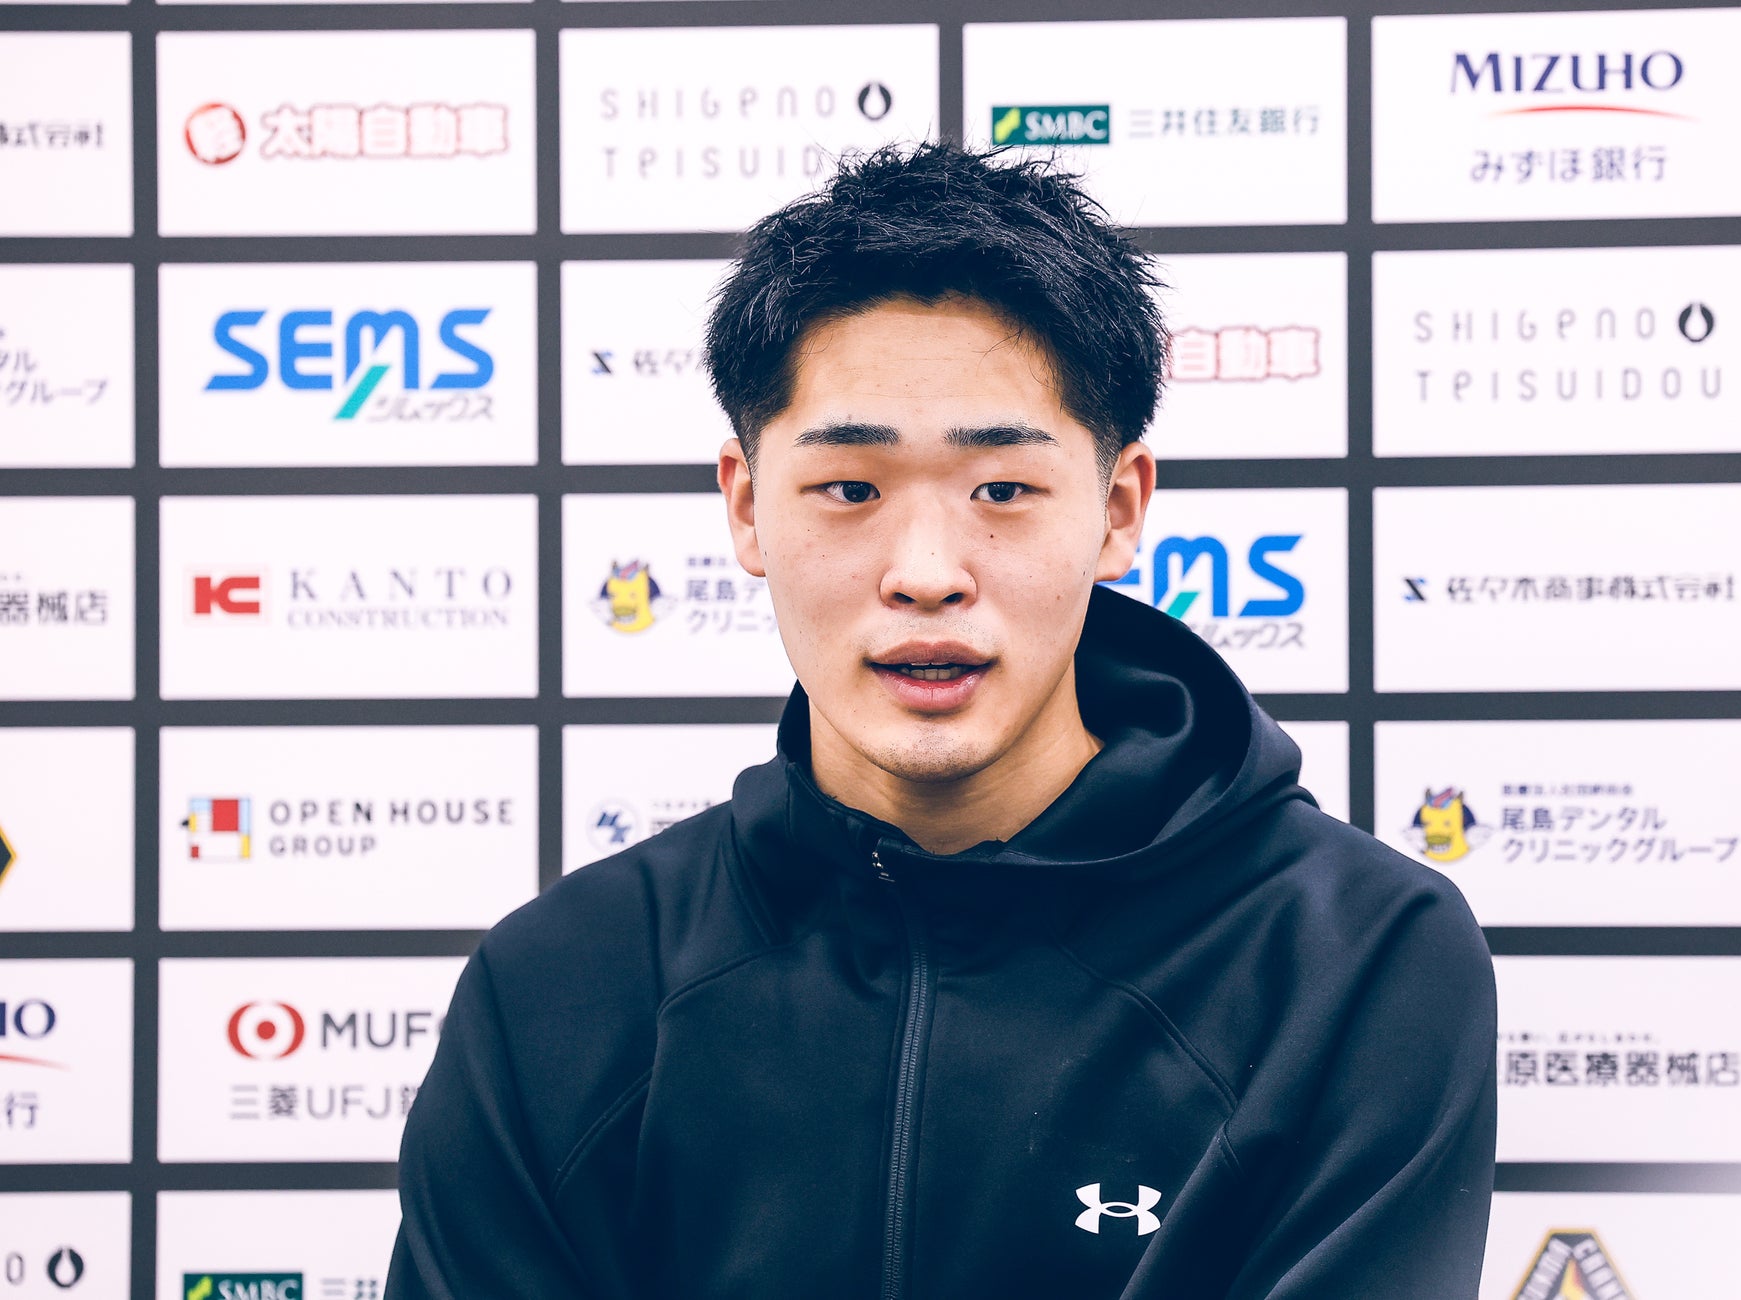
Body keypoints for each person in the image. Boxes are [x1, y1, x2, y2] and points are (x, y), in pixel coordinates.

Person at [386, 141, 1496, 1299]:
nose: (925, 572)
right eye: (850, 489)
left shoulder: (1353, 959)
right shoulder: (562, 983)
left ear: (1119, 509)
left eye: (1002, 490)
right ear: (747, 507)